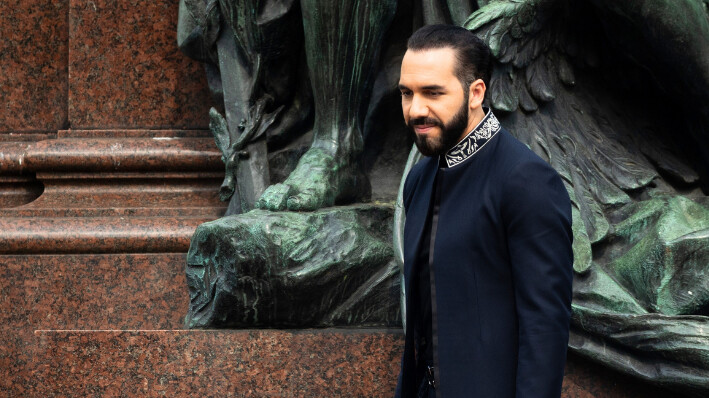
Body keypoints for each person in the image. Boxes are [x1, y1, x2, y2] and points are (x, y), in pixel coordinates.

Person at [395, 24, 573, 397]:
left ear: (476, 93)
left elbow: (545, 328)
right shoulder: (419, 179)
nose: (416, 109)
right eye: (407, 93)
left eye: (432, 93)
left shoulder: (526, 182)